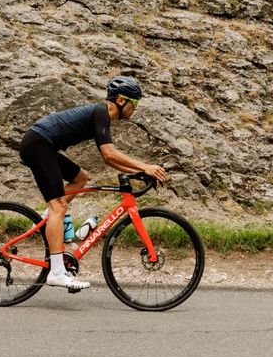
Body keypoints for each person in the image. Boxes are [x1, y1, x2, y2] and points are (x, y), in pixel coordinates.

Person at [18, 75, 167, 290]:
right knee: (58, 205)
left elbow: (110, 159)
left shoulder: (102, 115)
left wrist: (141, 170)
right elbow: (109, 154)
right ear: (121, 101)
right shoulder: (101, 112)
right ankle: (57, 273)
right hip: (38, 144)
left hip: (43, 144)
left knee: (81, 178)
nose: (135, 109)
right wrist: (144, 166)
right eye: (134, 103)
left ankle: (49, 219)